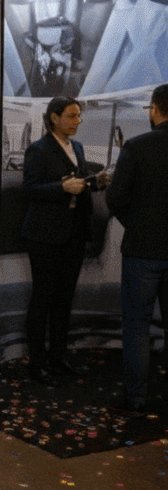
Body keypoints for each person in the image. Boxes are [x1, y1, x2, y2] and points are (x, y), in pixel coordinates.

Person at [20, 96, 109, 385]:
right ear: (54, 118)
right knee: (43, 298)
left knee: (64, 299)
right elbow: (31, 189)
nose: (77, 122)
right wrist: (61, 187)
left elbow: (78, 183)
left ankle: (58, 358)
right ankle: (37, 362)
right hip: (44, 235)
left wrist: (96, 182)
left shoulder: (78, 147)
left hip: (73, 234)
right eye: (71, 116)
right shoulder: (39, 149)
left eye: (78, 116)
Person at [105, 84, 168, 418]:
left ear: (155, 109)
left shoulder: (137, 146)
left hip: (143, 250)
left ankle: (136, 399)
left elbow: (114, 197)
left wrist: (138, 223)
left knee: (137, 326)